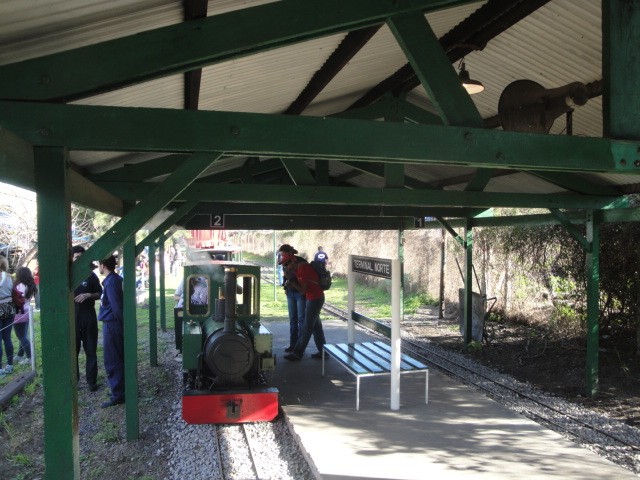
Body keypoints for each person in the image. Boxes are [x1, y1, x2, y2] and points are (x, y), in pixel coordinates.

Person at [282, 250, 327, 361]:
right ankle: (324, 352)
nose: (286, 267)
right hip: (314, 297)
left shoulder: (301, 269)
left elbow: (302, 290)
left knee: (307, 327)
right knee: (316, 327)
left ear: (293, 260)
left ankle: (297, 353)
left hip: (314, 299)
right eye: (284, 265)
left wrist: (291, 282)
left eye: (287, 264)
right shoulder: (300, 267)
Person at [72, 246, 102, 391]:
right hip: (72, 319)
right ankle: (74, 381)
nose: (79, 260)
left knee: (91, 351)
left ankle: (92, 382)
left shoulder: (90, 275)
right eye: (77, 257)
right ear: (71, 259)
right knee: (73, 352)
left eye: (82, 257)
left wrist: (89, 295)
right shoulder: (68, 275)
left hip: (88, 316)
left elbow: (100, 292)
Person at [98, 255, 125, 408]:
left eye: (99, 265)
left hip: (113, 325)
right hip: (112, 324)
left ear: (103, 265)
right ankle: (119, 389)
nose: (98, 268)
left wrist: (121, 327)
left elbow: (116, 307)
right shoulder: (112, 280)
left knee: (113, 359)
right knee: (115, 357)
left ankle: (119, 393)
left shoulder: (112, 281)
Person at [12, 267, 38, 365]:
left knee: (21, 336)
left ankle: (30, 357)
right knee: (23, 335)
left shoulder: (20, 286)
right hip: (27, 311)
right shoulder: (29, 285)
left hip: (19, 312)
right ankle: (20, 354)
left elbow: (17, 299)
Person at [0, 255, 15, 376]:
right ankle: (10, 365)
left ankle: (0, 369)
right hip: (9, 308)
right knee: (7, 338)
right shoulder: (9, 277)